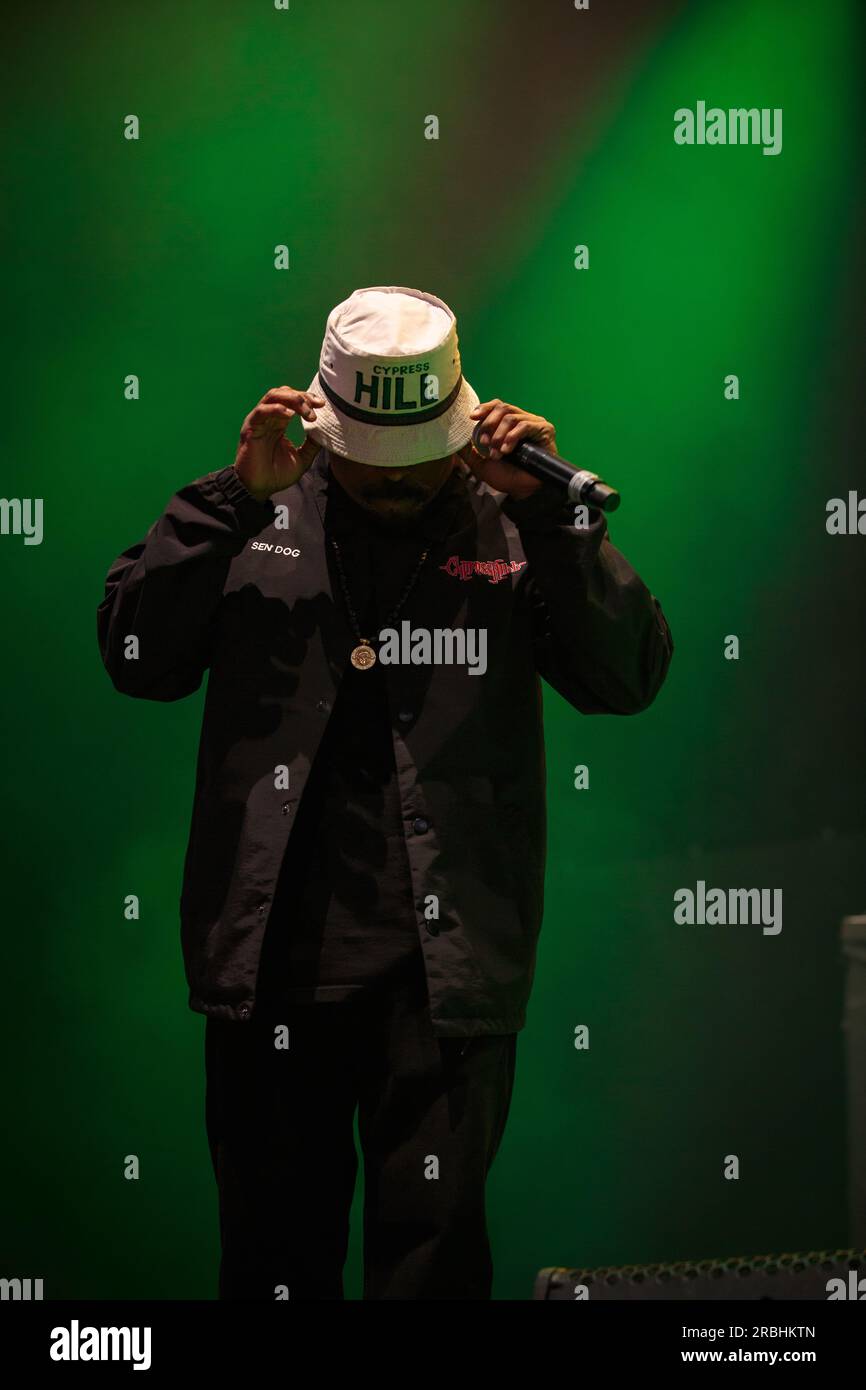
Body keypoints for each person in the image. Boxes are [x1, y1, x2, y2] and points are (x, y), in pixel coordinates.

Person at [97, 284, 673, 1300]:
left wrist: (554, 523)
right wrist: (227, 500)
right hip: (271, 970)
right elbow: (136, 655)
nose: (399, 486)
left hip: (443, 985)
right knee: (274, 1265)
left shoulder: (512, 523)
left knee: (433, 1268)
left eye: (419, 464)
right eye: (375, 468)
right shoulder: (250, 510)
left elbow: (625, 678)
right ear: (317, 423)